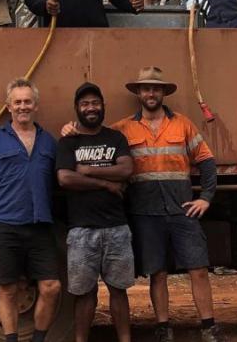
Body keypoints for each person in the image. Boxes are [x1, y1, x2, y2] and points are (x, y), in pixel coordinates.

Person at [62, 67, 225, 342]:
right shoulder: (122, 129)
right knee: (157, 273)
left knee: (197, 268)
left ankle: (208, 326)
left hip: (182, 208)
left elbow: (207, 161)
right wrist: (71, 128)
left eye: (156, 88)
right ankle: (163, 328)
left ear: (163, 92)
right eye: (146, 88)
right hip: (145, 212)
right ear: (138, 93)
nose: (151, 93)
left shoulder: (183, 124)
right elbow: (95, 134)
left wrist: (205, 198)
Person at [0, 79, 62, 342]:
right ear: (8, 107)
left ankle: (38, 339)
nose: (23, 106)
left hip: (40, 225)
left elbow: (62, 177)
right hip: (5, 225)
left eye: (27, 101)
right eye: (17, 102)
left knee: (51, 287)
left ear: (36, 106)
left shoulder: (49, 142)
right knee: (7, 290)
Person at [56, 83, 134, 342]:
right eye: (85, 104)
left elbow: (125, 170)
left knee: (119, 290)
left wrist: (88, 171)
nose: (91, 108)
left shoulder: (116, 138)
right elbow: (65, 178)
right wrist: (105, 183)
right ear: (77, 109)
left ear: (103, 106)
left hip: (116, 227)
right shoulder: (68, 142)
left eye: (95, 103)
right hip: (81, 230)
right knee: (84, 293)